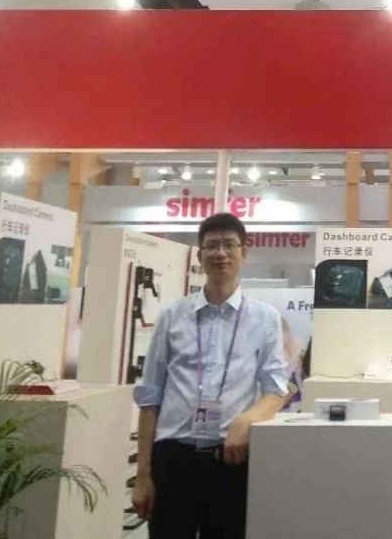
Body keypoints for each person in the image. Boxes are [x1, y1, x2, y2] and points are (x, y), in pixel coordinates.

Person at [132, 214, 288, 539]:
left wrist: (246, 420)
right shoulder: (172, 316)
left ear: (244, 252)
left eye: (229, 245)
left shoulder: (265, 318)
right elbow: (150, 397)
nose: (220, 253)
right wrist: (143, 475)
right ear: (200, 254)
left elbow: (276, 390)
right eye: (212, 245)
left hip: (231, 459)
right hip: (174, 458)